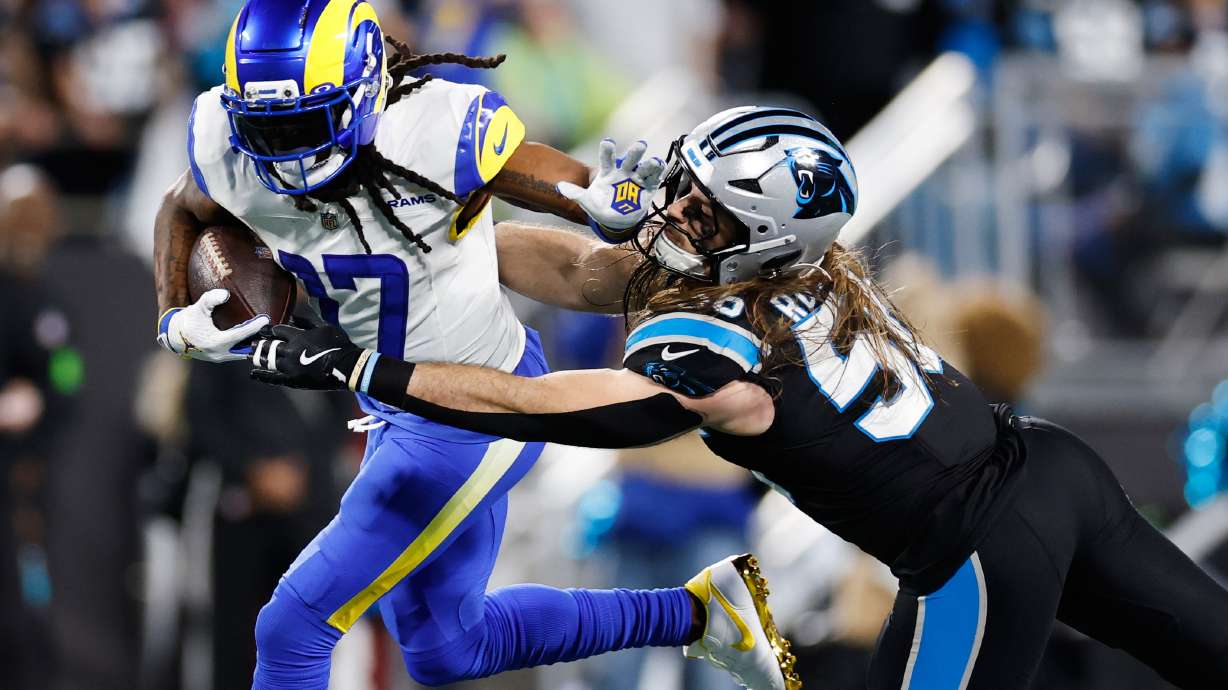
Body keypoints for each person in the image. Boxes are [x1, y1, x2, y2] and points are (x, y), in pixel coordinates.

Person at [250, 106, 1228, 690]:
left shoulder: (720, 341)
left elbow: (533, 403)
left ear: (759, 240)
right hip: (1052, 470)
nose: (677, 211)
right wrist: (436, 258)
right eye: (686, 186)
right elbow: (586, 268)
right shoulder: (798, 272)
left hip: (977, 551)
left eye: (706, 211)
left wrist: (362, 369)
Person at [153, 3, 793, 689]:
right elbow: (181, 207)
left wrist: (595, 195)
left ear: (366, 92)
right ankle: (702, 614)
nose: (287, 153)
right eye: (267, 129)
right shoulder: (225, 143)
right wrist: (173, 316)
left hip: (476, 412)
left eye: (307, 124)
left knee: (293, 627)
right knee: (446, 649)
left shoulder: (429, 128)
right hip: (395, 405)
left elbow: (535, 172)